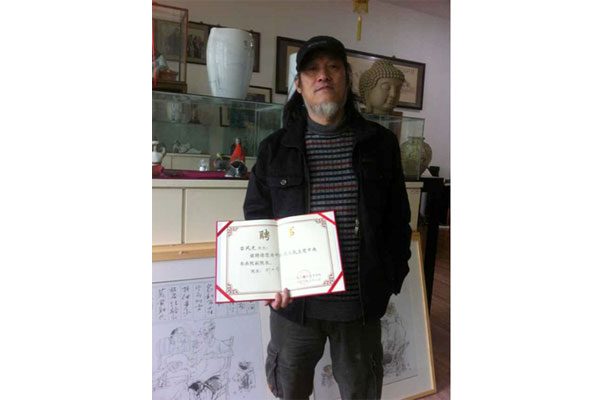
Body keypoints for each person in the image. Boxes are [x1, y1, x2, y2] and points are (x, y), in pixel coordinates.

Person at [243, 35, 412, 400]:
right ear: (299, 85)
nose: (323, 75)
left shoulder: (380, 144)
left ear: (347, 79)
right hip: (294, 307)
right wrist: (267, 281)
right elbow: (257, 219)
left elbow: (398, 220)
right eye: (312, 70)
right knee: (291, 391)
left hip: (359, 305)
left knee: (361, 392)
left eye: (333, 67)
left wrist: (390, 279)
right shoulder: (275, 149)